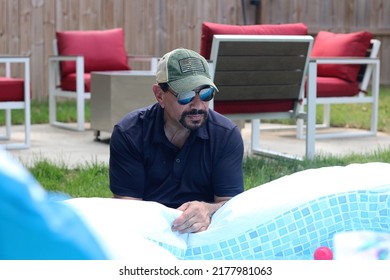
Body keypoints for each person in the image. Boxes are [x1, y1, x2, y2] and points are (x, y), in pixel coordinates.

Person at [109, 48, 244, 233]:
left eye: (206, 94)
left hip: (206, 231)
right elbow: (128, 210)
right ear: (159, 95)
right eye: (186, 95)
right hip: (148, 231)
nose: (198, 105)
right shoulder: (130, 133)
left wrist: (208, 209)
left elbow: (232, 207)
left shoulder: (225, 135)